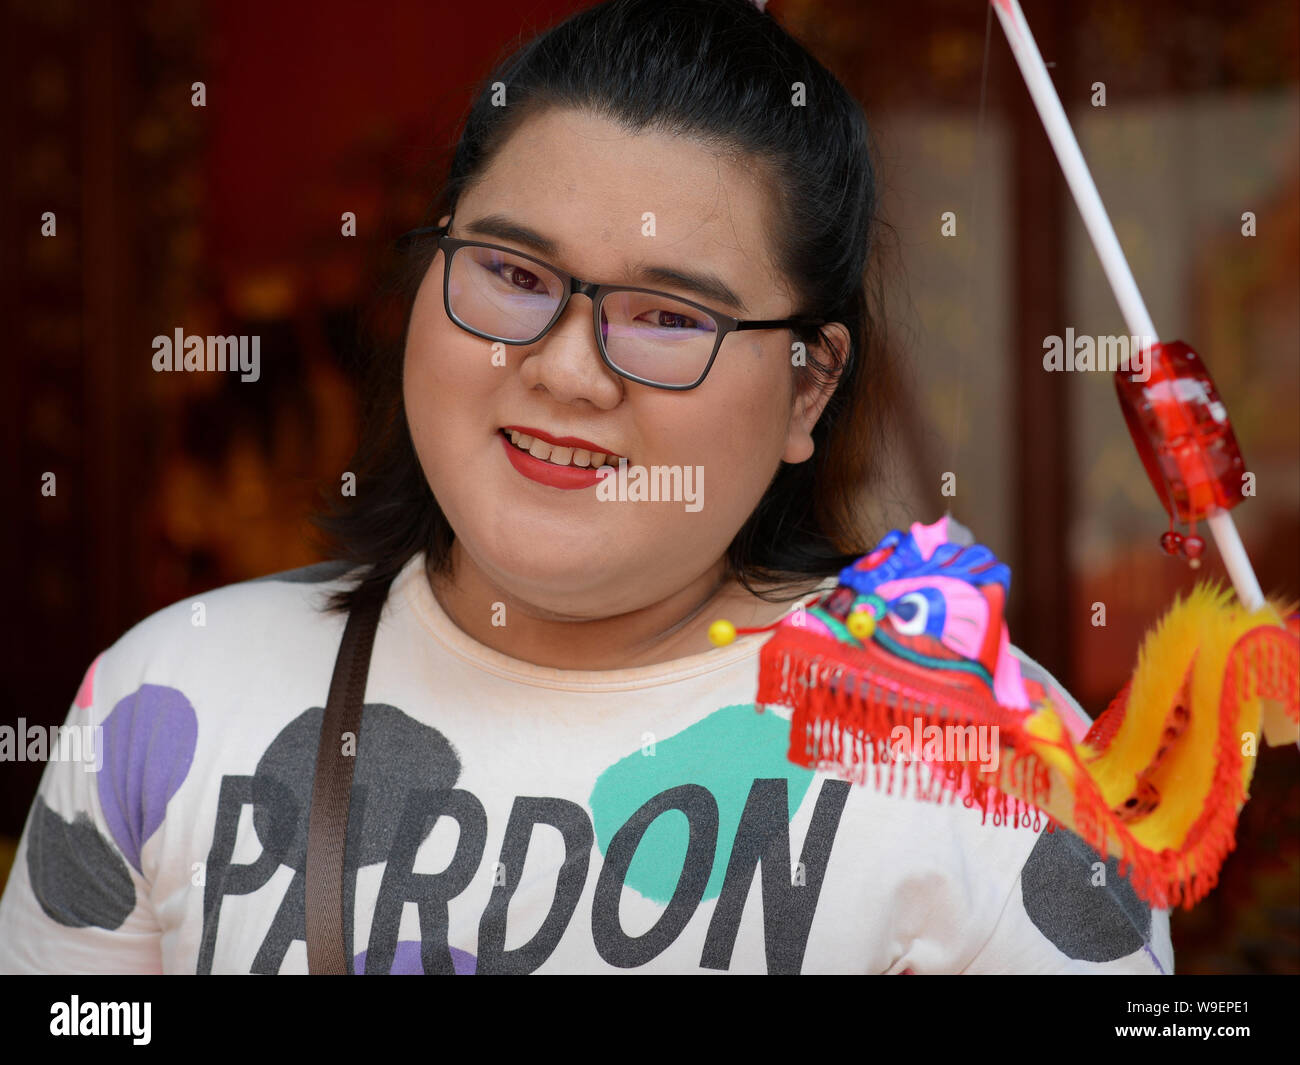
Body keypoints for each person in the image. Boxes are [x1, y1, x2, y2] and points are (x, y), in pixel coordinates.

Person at [0, 0, 1171, 974]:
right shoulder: (170, 700)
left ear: (808, 390)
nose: (564, 369)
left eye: (668, 317)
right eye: (512, 272)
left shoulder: (999, 777)